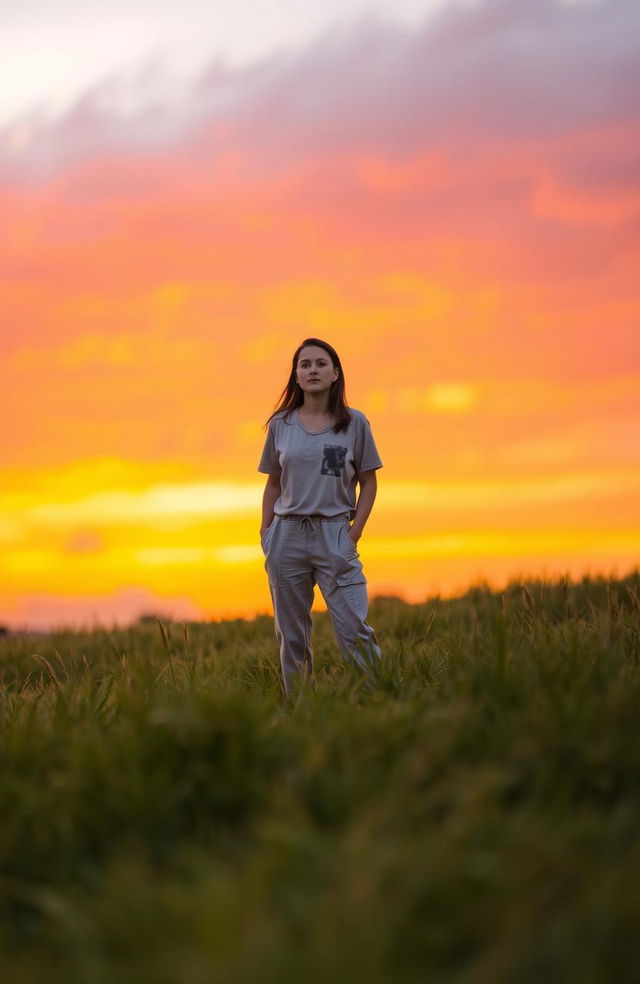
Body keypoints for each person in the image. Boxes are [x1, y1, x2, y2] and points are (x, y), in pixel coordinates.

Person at [258, 337, 383, 694]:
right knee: (292, 636)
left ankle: (378, 699)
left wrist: (354, 533)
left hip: (335, 535)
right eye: (305, 364)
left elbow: (368, 483)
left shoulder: (355, 423)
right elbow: (273, 484)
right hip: (287, 535)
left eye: (321, 363)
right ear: (296, 376)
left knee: (354, 629)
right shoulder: (281, 424)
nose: (312, 369)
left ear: (335, 373)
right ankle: (300, 709)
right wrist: (266, 533)